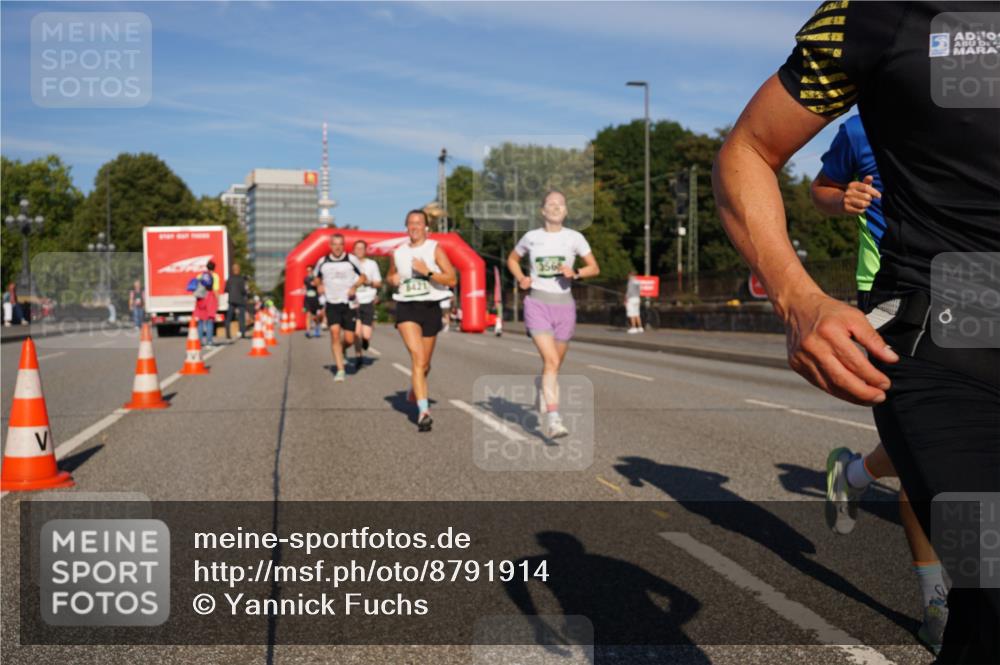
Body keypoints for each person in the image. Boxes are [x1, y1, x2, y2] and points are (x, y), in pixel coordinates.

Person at [712, 2, 999, 662]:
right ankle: (934, 587)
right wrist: (798, 296)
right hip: (945, 340)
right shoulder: (879, 12)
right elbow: (750, 150)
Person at [810, 114, 947, 652]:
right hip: (895, 291)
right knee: (924, 444)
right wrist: (839, 200)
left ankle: (854, 475)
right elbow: (822, 189)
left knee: (943, 435)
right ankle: (937, 599)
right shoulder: (861, 127)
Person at [507, 190, 599, 439]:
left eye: (561, 204)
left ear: (566, 211)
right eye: (551, 204)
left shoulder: (575, 238)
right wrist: (521, 278)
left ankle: (542, 388)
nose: (556, 207)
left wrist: (576, 273)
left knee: (555, 364)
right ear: (543, 211)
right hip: (537, 303)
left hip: (565, 306)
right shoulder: (531, 237)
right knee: (551, 362)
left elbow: (594, 267)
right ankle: (554, 419)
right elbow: (512, 259)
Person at [387, 209, 457, 432]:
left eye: (419, 223)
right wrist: (392, 279)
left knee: (425, 364)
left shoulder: (435, 248)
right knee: (418, 359)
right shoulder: (397, 253)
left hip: (430, 306)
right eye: (410, 223)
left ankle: (413, 389)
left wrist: (427, 272)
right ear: (406, 227)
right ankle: (424, 412)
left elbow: (451, 278)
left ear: (426, 227)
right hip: (407, 306)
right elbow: (390, 276)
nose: (414, 227)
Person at [314, 234, 366, 382]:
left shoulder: (351, 259)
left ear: (344, 246)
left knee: (349, 339)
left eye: (340, 244)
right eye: (334, 244)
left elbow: (363, 277)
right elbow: (316, 278)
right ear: (330, 246)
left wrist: (354, 286)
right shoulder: (322, 261)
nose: (337, 247)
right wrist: (319, 285)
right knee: (335, 333)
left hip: (348, 302)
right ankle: (340, 370)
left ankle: (343, 350)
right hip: (332, 303)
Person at [352, 240, 383, 366]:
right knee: (356, 332)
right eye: (357, 248)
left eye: (362, 248)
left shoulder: (372, 264)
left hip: (368, 301)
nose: (359, 250)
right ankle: (358, 356)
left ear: (365, 250)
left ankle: (365, 342)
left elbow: (379, 283)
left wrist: (368, 282)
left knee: (366, 335)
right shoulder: (349, 264)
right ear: (353, 250)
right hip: (354, 302)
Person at [192, 259, 220, 347]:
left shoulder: (200, 275)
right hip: (210, 298)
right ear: (214, 268)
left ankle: (199, 341)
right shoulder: (215, 276)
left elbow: (195, 287)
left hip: (200, 299)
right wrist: (218, 302)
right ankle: (209, 341)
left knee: (200, 321)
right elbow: (215, 290)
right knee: (209, 321)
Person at [224, 263, 249, 340]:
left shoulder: (230, 278)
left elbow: (226, 289)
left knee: (229, 317)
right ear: (239, 270)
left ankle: (228, 333)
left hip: (231, 299)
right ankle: (243, 333)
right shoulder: (241, 279)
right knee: (241, 317)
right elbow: (243, 291)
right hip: (240, 300)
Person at [303, 264, 322, 338]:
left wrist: (316, 284)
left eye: (310, 270)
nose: (309, 272)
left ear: (313, 271)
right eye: (307, 271)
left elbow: (318, 285)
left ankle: (317, 328)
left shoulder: (316, 278)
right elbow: (305, 286)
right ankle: (308, 331)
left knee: (316, 316)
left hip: (315, 299)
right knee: (308, 315)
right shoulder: (305, 278)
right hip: (308, 299)